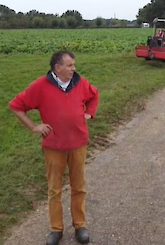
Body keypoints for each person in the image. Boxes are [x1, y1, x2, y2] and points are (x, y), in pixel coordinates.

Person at [9, 51, 99, 245]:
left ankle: (80, 225)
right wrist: (34, 126)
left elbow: (94, 95)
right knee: (54, 190)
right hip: (53, 147)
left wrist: (89, 114)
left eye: (74, 65)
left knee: (79, 187)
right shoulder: (40, 86)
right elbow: (16, 105)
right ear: (57, 68)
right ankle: (56, 229)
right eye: (69, 65)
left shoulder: (80, 82)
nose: (73, 69)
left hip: (78, 144)